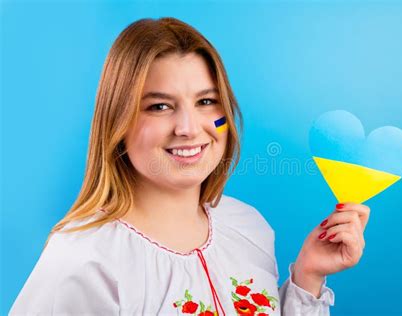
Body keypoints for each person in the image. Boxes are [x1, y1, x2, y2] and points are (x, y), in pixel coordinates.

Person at [9, 17, 370, 316]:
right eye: (159, 106)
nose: (188, 127)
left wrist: (308, 275)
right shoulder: (84, 260)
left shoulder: (249, 228)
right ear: (117, 121)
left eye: (206, 102)